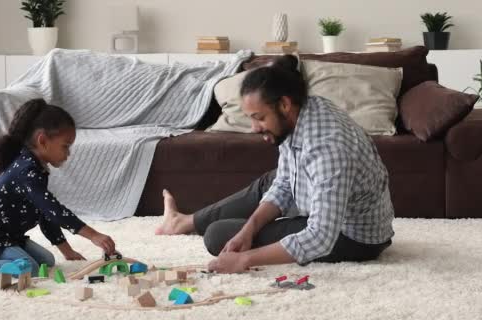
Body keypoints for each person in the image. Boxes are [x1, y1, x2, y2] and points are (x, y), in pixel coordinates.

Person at [156, 55, 395, 273]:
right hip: (326, 205)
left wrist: (245, 259)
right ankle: (182, 222)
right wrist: (249, 228)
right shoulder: (301, 114)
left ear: (284, 104)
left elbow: (320, 238)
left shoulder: (328, 147)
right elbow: (283, 184)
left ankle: (189, 224)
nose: (254, 128)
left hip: (352, 237)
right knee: (269, 183)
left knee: (218, 235)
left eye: (259, 118)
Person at [0, 99, 116, 277]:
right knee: (30, 269)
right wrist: (93, 235)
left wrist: (67, 251)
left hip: (8, 236)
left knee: (47, 261)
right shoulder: (26, 170)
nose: (68, 154)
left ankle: (5, 257)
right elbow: (53, 210)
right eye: (65, 146)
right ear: (42, 140)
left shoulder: (36, 168)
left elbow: (44, 214)